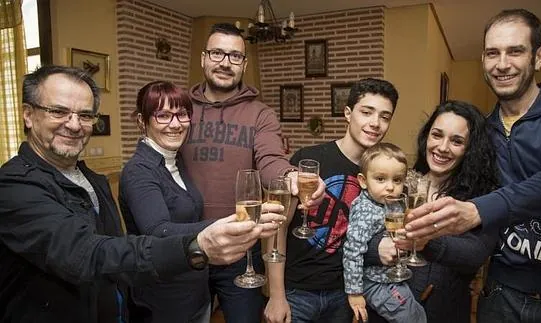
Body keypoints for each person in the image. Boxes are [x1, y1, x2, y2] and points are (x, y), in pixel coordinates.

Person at [0, 65, 284, 322]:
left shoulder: (95, 179)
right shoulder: (14, 186)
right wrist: (205, 239)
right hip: (164, 302)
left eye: (85, 115)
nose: (74, 125)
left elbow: (115, 254)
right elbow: (89, 253)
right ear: (28, 115)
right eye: (58, 111)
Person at [405, 9, 541, 322]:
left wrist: (477, 210)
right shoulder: (481, 131)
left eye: (515, 51)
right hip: (499, 293)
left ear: (539, 56)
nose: (502, 64)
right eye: (492, 53)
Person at [181, 22, 325, 323]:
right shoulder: (181, 108)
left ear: (244, 64)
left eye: (234, 56)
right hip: (186, 242)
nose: (225, 62)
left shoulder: (261, 114)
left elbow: (271, 159)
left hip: (240, 247)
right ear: (203, 59)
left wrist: (291, 178)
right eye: (217, 53)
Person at [264, 78, 400, 323]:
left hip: (344, 293)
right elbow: (278, 227)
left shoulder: (382, 175)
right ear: (348, 113)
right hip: (297, 290)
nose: (375, 123)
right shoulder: (310, 159)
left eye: (385, 116)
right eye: (366, 112)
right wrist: (276, 295)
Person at [366, 101, 500, 322]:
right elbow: (360, 232)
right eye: (437, 135)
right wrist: (376, 249)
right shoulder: (398, 183)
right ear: (426, 136)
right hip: (386, 311)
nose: (442, 147)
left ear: (470, 148)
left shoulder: (480, 197)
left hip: (444, 312)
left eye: (456, 141)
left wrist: (427, 243)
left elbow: (476, 254)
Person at [119, 81, 210, 322]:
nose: (175, 124)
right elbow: (158, 230)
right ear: (142, 121)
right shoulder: (138, 171)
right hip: (163, 299)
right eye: (163, 115)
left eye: (182, 114)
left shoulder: (176, 160)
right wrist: (224, 224)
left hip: (193, 290)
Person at [343, 142, 426, 323]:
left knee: (418, 313)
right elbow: (352, 252)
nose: (390, 187)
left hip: (393, 278)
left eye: (397, 180)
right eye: (380, 179)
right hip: (375, 282)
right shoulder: (365, 209)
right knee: (411, 318)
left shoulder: (394, 203)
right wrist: (355, 292)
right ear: (363, 181)